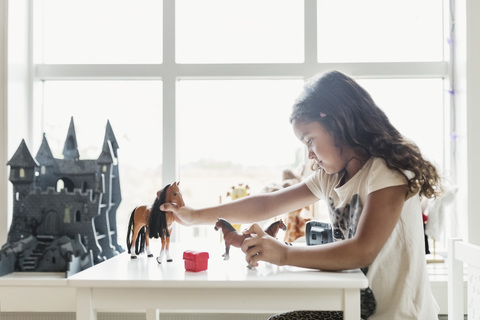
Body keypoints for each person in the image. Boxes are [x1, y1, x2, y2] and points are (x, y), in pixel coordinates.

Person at [161, 70, 442, 319]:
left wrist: (283, 253)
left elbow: (362, 251)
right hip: (356, 309)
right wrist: (193, 215)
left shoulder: (385, 171)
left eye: (310, 140)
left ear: (339, 125)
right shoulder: (331, 177)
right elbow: (267, 204)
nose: (308, 153)